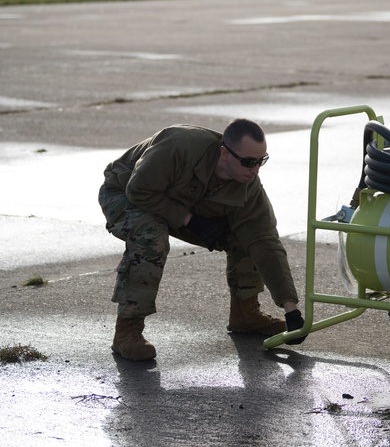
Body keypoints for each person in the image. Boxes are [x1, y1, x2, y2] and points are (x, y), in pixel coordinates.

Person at [98, 118, 306, 361]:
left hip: (182, 205)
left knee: (247, 236)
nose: (255, 169)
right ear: (224, 153)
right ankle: (127, 332)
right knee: (150, 236)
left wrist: (290, 307)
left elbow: (265, 241)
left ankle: (246, 314)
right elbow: (139, 190)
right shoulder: (178, 145)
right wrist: (188, 220)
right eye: (249, 162)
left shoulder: (248, 185)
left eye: (261, 161)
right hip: (126, 194)